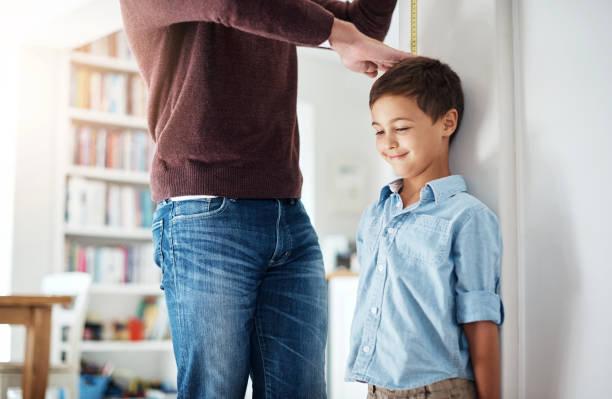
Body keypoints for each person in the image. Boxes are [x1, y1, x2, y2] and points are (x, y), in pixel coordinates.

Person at [118, 1, 413, 397]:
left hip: (288, 214)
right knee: (215, 391)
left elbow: (362, 25)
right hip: (204, 215)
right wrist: (344, 38)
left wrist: (349, 36)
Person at [345, 57, 504, 399]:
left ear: (447, 123)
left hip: (437, 389)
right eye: (378, 130)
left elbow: (480, 321)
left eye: (400, 128)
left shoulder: (468, 217)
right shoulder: (375, 215)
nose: (387, 142)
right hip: (376, 387)